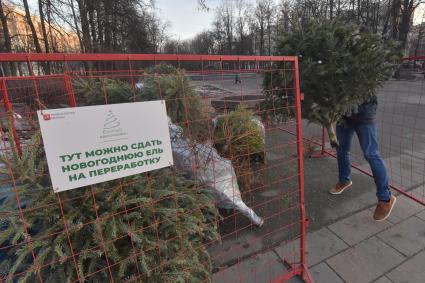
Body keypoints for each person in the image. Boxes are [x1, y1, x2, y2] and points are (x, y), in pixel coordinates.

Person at [329, 96, 396, 221]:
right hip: (343, 114)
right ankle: (344, 180)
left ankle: (385, 198)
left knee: (371, 154)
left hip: (364, 115)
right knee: (341, 149)